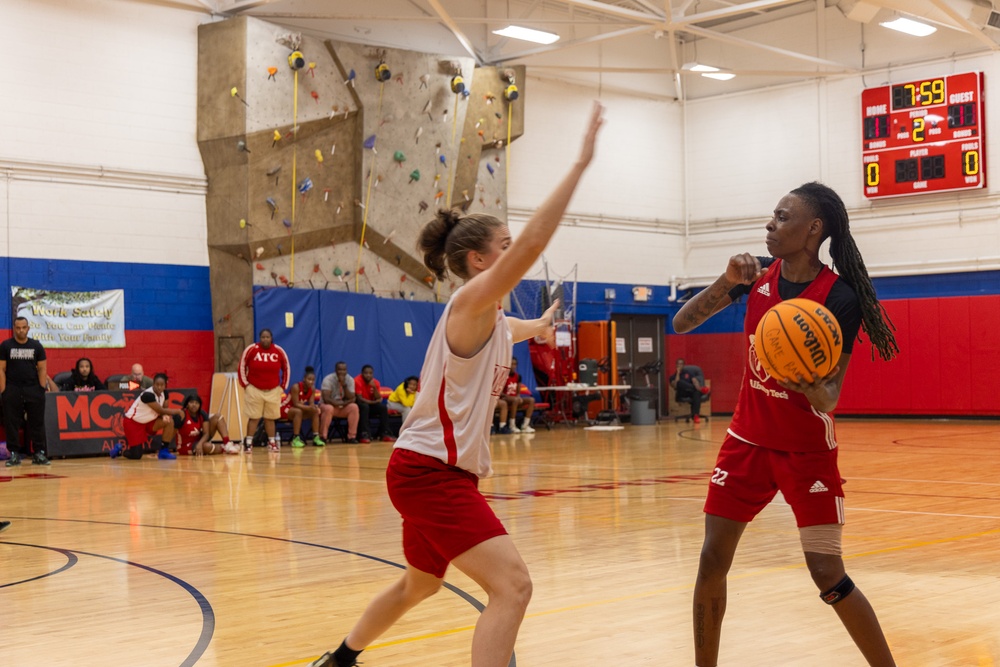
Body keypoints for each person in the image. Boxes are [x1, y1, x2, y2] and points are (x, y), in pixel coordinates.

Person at [308, 102, 602, 667]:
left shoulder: (491, 321)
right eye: (506, 246)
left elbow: (515, 328)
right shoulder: (469, 302)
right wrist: (580, 164)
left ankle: (340, 659)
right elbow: (535, 249)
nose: (515, 252)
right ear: (478, 260)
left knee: (420, 585)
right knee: (513, 586)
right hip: (429, 474)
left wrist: (542, 324)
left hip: (432, 473)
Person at [672, 182, 899, 667]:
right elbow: (682, 324)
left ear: (813, 228)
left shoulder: (840, 298)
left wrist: (807, 382)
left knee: (826, 573)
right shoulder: (752, 275)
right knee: (712, 560)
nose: (770, 224)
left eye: (781, 216)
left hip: (806, 452)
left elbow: (830, 397)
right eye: (771, 216)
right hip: (745, 443)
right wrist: (724, 280)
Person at [1, 316, 51, 467]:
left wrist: (41, 388)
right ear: (14, 328)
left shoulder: (36, 346)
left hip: (33, 389)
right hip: (12, 388)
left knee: (37, 423)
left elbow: (42, 367)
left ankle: (38, 453)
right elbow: (1, 369)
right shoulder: (5, 346)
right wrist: (3, 390)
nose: (21, 330)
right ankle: (14, 454)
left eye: (24, 327)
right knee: (12, 422)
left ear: (28, 328)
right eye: (18, 327)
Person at [238, 328, 291, 453]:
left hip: (273, 390)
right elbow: (241, 365)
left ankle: (271, 442)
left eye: (267, 337)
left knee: (270, 418)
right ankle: (249, 442)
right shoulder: (251, 349)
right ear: (259, 338)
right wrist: (245, 384)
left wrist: (282, 387)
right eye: (263, 337)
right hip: (254, 389)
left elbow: (286, 368)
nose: (265, 339)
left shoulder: (279, 351)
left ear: (271, 338)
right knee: (254, 417)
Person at [113, 373, 184, 460]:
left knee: (169, 421)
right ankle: (120, 451)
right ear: (153, 384)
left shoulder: (165, 393)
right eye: (157, 384)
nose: (159, 387)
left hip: (149, 421)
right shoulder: (147, 395)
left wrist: (165, 415)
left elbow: (164, 409)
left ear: (165, 385)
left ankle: (164, 451)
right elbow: (160, 410)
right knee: (136, 455)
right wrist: (178, 411)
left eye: (162, 385)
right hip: (133, 422)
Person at [174, 394, 238, 456]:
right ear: (187, 404)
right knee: (207, 446)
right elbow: (173, 428)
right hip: (186, 446)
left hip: (200, 440)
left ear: (199, 405)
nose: (194, 405)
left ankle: (227, 443)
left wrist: (200, 443)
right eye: (191, 402)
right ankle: (224, 448)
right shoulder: (182, 414)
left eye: (196, 403)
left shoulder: (202, 414)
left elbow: (206, 434)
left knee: (218, 416)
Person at [284, 367, 327, 448]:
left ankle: (316, 437)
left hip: (299, 409)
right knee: (298, 411)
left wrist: (314, 407)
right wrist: (310, 408)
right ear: (304, 379)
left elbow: (311, 403)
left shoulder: (312, 389)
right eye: (309, 379)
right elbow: (296, 404)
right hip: (286, 408)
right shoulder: (296, 387)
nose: (311, 381)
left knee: (314, 412)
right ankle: (295, 438)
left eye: (313, 380)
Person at [320, 361, 360, 444]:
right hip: (329, 405)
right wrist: (342, 403)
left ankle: (351, 437)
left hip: (341, 406)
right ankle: (323, 437)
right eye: (339, 370)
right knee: (329, 408)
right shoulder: (328, 379)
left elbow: (351, 397)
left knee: (354, 407)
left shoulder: (350, 379)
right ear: (335, 370)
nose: (342, 372)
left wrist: (344, 385)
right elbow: (326, 399)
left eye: (344, 370)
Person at [354, 365, 394, 444]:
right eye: (366, 373)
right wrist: (373, 402)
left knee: (382, 408)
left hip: (370, 404)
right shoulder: (357, 381)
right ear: (362, 373)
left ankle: (385, 433)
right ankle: (364, 434)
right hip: (360, 405)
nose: (368, 375)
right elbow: (359, 398)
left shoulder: (375, 382)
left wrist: (374, 387)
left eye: (370, 373)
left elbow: (378, 397)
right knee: (364, 407)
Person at [497, 358, 535, 434]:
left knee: (531, 400)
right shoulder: (504, 376)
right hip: (505, 397)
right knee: (516, 400)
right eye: (511, 364)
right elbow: (500, 392)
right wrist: (511, 397)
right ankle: (512, 425)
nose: (513, 366)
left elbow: (518, 392)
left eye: (515, 364)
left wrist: (518, 396)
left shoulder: (518, 376)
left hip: (514, 398)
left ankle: (525, 425)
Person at [669, 358, 710, 423]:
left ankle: (696, 415)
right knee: (679, 382)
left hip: (691, 392)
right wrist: (678, 373)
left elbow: (695, 381)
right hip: (682, 393)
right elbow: (675, 385)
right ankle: (701, 390)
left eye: (681, 364)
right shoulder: (672, 377)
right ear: (676, 365)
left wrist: (698, 387)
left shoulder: (689, 373)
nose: (679, 365)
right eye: (678, 364)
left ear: (684, 365)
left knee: (696, 393)